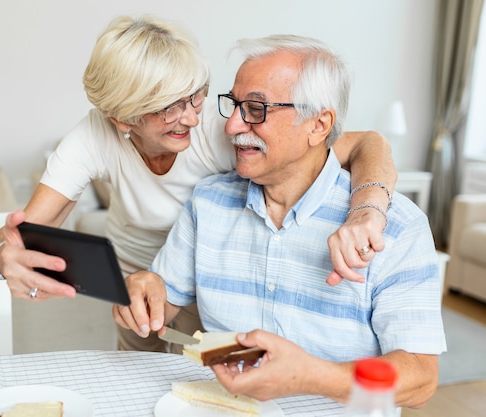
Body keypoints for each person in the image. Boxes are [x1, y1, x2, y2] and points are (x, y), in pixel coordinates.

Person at [0, 15, 397, 353]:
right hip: (134, 276)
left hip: (209, 272)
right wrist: (5, 257)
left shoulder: (224, 125)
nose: (190, 117)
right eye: (169, 108)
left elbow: (366, 143)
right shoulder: (92, 138)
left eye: (196, 96)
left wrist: (367, 212)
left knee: (212, 375)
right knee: (137, 376)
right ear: (123, 117)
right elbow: (23, 235)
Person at [113, 33, 446, 410]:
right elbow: (163, 300)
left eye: (256, 109)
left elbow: (420, 377)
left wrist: (313, 377)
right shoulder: (208, 203)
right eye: (234, 106)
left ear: (318, 125)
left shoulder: (396, 226)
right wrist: (145, 292)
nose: (232, 126)